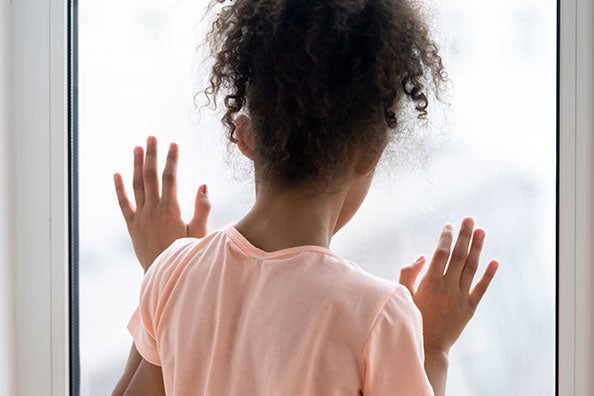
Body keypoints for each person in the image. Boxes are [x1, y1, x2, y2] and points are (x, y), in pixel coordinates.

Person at [111, 0, 499, 394]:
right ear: (370, 152)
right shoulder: (378, 315)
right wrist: (431, 349)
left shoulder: (173, 271)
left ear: (245, 136)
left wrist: (160, 284)